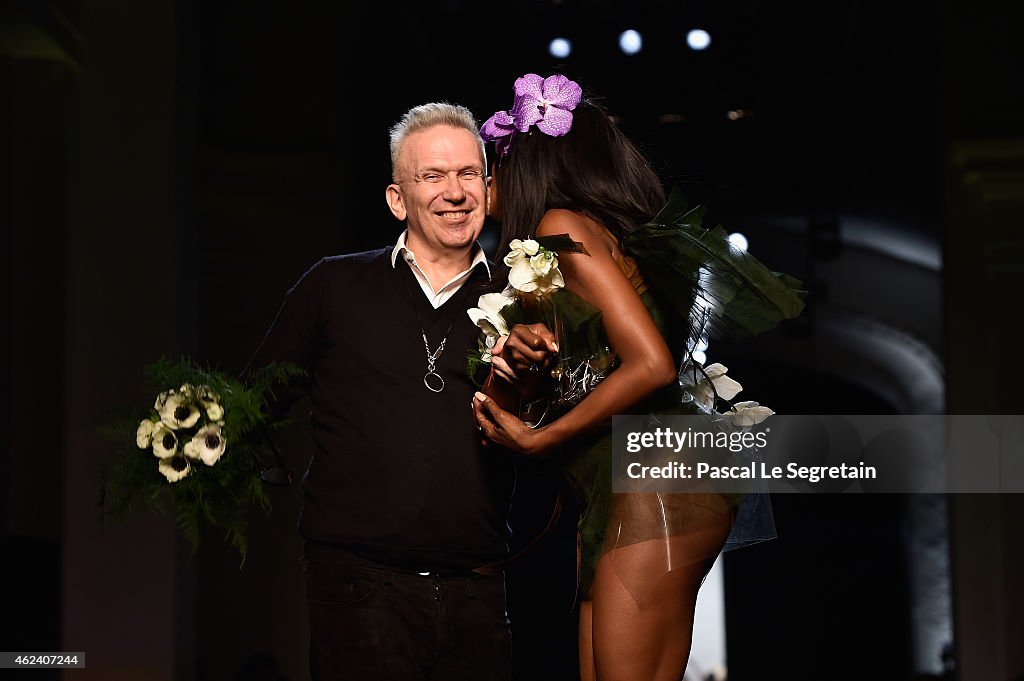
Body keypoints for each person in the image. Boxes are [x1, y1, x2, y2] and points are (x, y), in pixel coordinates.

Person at [470, 73, 805, 681]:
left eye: (493, 162)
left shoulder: (558, 224)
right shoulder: (568, 239)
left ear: (531, 162)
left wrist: (542, 438)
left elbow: (652, 364)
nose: (485, 179)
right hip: (626, 486)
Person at [243, 101, 546, 681]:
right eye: (432, 176)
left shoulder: (528, 295)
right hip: (356, 587)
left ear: (489, 186)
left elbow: (558, 433)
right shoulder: (333, 285)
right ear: (396, 199)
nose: (455, 192)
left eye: (468, 175)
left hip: (480, 588)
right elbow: (252, 402)